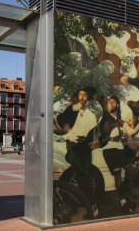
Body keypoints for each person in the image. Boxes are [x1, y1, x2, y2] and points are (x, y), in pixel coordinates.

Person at [54, 87, 99, 217]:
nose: (82, 97)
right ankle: (90, 206)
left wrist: (93, 140)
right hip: (73, 145)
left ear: (88, 98)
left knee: (83, 176)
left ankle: (90, 206)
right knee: (80, 175)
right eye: (80, 94)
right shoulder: (73, 109)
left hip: (84, 147)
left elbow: (94, 131)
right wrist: (68, 129)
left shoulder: (92, 114)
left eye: (84, 95)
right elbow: (62, 119)